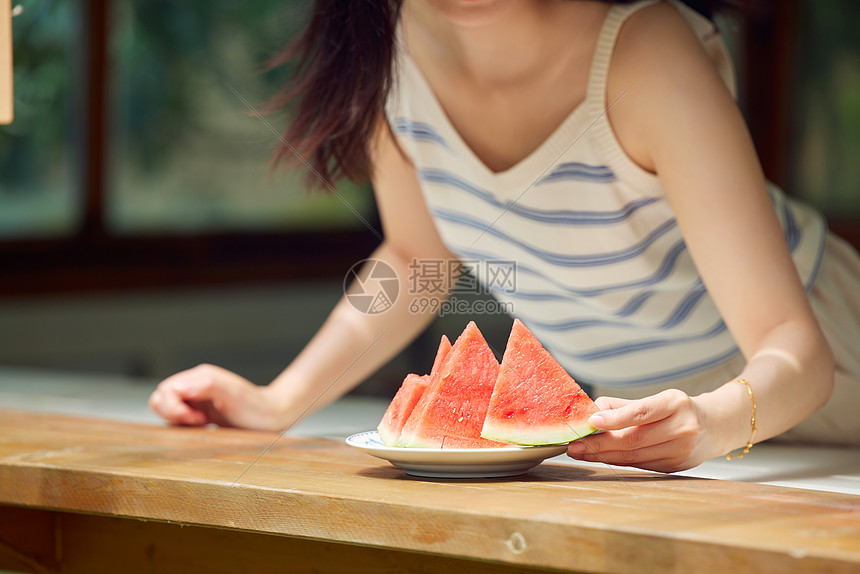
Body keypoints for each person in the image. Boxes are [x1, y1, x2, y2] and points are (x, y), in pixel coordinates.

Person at [148, 0, 860, 472]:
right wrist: (277, 402)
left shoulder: (644, 51)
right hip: (661, 418)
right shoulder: (390, 57)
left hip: (819, 366)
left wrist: (711, 421)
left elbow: (798, 349)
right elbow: (417, 258)